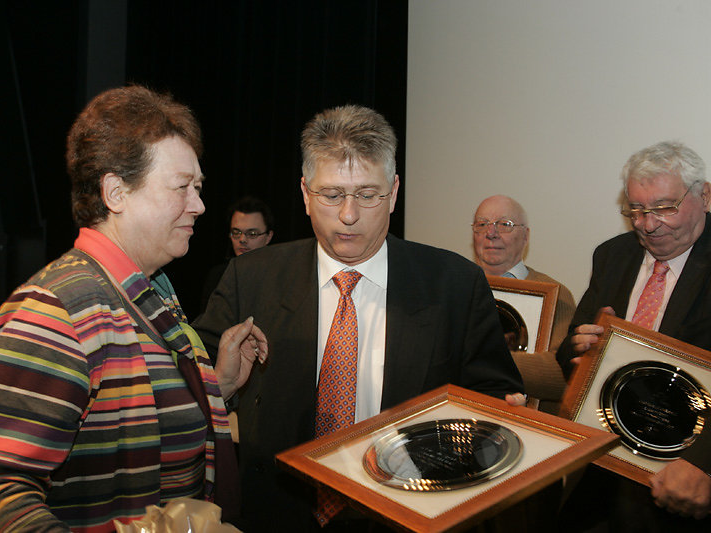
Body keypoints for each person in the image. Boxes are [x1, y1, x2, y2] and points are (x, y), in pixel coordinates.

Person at [193, 104, 524, 531]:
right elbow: (193, 385)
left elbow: (494, 394)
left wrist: (499, 420)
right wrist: (223, 386)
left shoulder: (454, 284)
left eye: (368, 195)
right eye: (332, 195)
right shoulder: (251, 278)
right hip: (280, 513)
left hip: (408, 514)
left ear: (395, 192)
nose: (349, 215)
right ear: (305, 194)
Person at [0, 85, 267, 532]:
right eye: (183, 187)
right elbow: (0, 497)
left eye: (198, 188)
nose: (200, 206)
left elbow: (138, 416)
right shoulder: (56, 311)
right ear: (116, 192)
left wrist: (214, 386)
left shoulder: (148, 291)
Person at [556, 141, 711, 530]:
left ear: (704, 196)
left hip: (687, 472)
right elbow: (568, 352)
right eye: (637, 209)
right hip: (605, 463)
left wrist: (703, 462)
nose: (648, 223)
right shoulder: (612, 256)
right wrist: (580, 347)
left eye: (664, 207)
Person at [472, 194, 576, 413]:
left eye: (505, 225)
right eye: (482, 224)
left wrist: (478, 360)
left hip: (525, 427)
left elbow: (563, 376)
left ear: (526, 236)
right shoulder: (454, 287)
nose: (491, 233)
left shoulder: (556, 295)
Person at [200, 195, 274, 310]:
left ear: (268, 237)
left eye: (252, 234)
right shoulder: (218, 276)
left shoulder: (279, 277)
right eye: (236, 232)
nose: (242, 240)